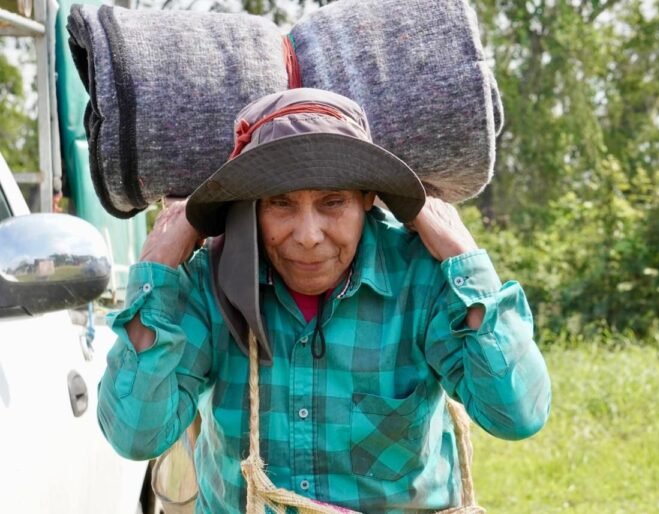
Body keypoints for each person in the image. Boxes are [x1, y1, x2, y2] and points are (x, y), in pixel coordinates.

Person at [97, 88, 551, 514]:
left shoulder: (420, 277)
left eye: (333, 203)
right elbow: (136, 434)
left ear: (367, 199)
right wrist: (157, 263)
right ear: (251, 208)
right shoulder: (209, 282)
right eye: (281, 204)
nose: (309, 236)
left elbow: (517, 414)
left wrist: (461, 254)